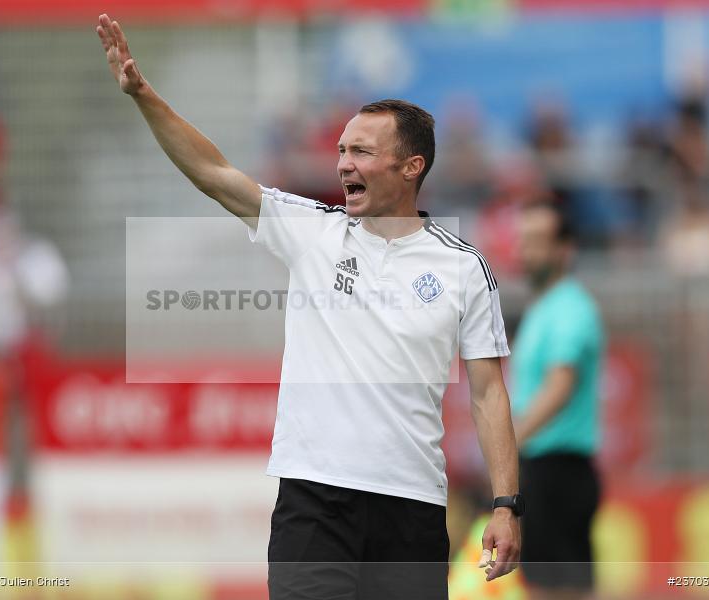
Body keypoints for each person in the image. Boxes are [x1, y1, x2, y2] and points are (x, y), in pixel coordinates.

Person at [96, 14, 521, 599]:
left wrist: (505, 504)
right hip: (313, 501)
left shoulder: (463, 266)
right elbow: (214, 173)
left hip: (413, 506)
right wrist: (144, 96)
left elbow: (488, 391)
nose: (343, 162)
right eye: (342, 150)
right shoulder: (312, 231)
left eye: (362, 152)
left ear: (411, 166)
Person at [511, 202, 605, 600]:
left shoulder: (569, 308)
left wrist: (508, 443)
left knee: (557, 590)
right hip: (545, 468)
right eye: (525, 241)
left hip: (558, 470)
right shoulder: (545, 307)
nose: (527, 252)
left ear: (565, 250)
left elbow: (560, 384)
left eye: (538, 242)